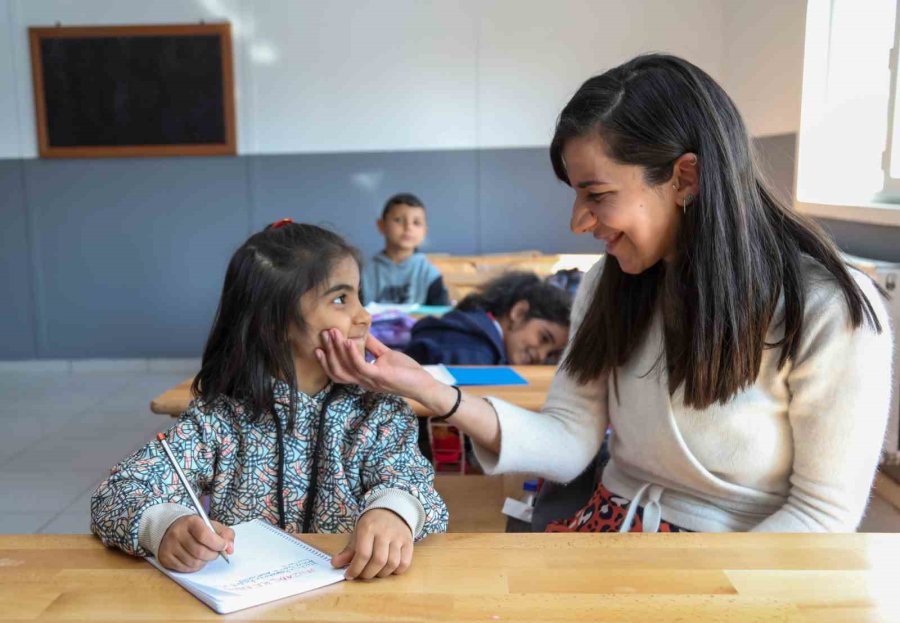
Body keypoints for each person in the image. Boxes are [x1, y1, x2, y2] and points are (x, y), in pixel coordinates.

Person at [316, 54, 894, 533]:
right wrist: (432, 390)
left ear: (684, 179)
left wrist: (705, 591)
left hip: (744, 568)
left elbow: (821, 514)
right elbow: (569, 441)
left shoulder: (831, 308)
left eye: (595, 194)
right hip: (607, 529)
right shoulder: (609, 283)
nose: (578, 221)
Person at [91, 220, 448, 579]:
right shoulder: (220, 417)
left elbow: (414, 483)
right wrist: (166, 526)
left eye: (358, 294)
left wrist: (394, 511)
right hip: (247, 605)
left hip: (352, 599)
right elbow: (117, 493)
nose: (364, 315)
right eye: (341, 299)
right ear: (275, 321)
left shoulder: (377, 410)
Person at [404, 271, 571, 366]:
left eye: (551, 353)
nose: (541, 356)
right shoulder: (472, 354)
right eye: (543, 338)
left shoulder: (481, 340)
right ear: (519, 312)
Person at [362, 193, 450, 306]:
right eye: (398, 220)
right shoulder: (364, 272)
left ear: (425, 232)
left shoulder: (429, 274)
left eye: (416, 223)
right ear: (381, 225)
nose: (408, 227)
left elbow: (440, 314)